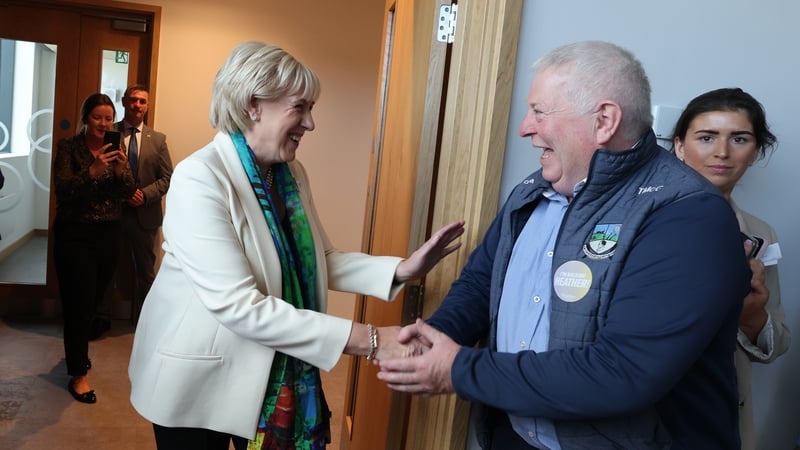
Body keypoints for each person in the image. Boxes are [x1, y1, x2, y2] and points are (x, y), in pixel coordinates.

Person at [377, 40, 751, 449]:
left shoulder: (687, 216)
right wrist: (433, 337)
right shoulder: (533, 191)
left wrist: (457, 369)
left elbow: (622, 373)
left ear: (604, 120)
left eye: (539, 111)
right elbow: (482, 285)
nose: (525, 127)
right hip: (515, 437)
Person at [127, 41, 465, 450]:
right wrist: (372, 339)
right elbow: (239, 305)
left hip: (268, 366)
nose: (310, 123)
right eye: (300, 108)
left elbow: (317, 260)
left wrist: (402, 269)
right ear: (253, 105)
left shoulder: (291, 173)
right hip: (200, 379)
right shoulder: (200, 178)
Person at [672, 87, 790, 450]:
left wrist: (751, 317)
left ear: (755, 152)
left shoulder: (760, 234)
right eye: (706, 137)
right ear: (679, 146)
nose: (722, 152)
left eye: (739, 139)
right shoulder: (635, 221)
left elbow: (776, 344)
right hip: (641, 412)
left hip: (719, 417)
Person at [53, 93, 136, 404]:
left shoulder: (117, 148)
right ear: (86, 118)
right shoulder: (69, 148)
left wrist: (117, 170)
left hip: (108, 234)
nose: (103, 123)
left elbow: (127, 190)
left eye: (108, 118)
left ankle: (76, 354)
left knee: (94, 300)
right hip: (75, 234)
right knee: (79, 303)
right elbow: (63, 190)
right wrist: (92, 170)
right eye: (97, 117)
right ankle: (79, 372)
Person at [91, 84, 174, 338]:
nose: (138, 105)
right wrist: (123, 193)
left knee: (146, 273)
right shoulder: (109, 132)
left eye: (142, 102)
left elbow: (168, 177)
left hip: (144, 216)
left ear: (147, 106)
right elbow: (99, 170)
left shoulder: (157, 139)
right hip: (111, 214)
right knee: (106, 268)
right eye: (133, 100)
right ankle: (101, 319)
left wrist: (144, 195)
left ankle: (146, 321)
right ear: (125, 101)